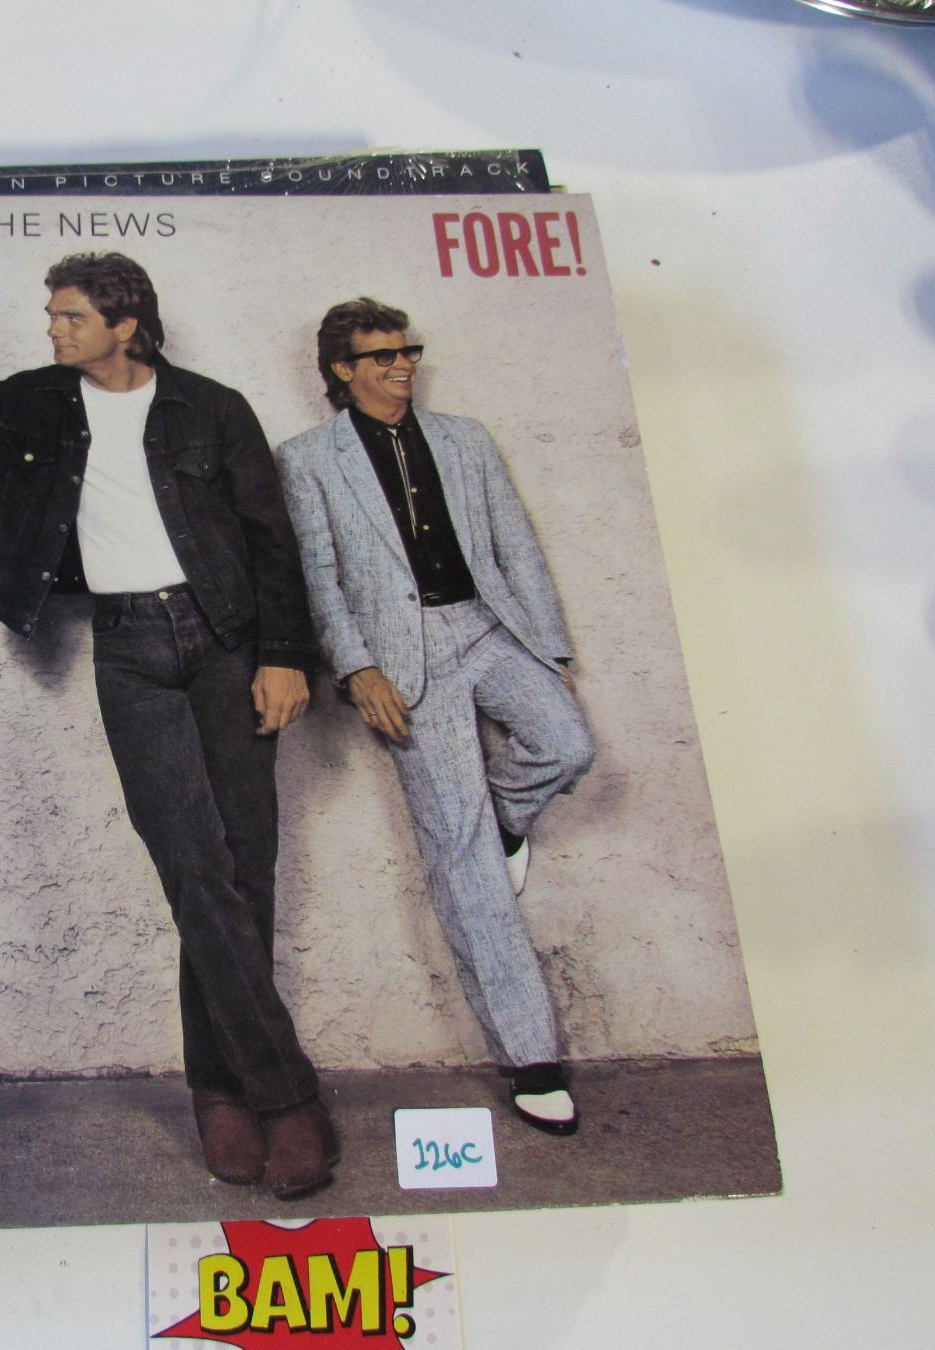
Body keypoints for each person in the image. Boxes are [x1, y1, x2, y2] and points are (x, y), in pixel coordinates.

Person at [0, 252, 334, 1199]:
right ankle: (283, 1095)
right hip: (128, 650)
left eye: (71, 316)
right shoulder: (35, 401)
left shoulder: (213, 408)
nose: (53, 329)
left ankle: (218, 1088)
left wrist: (285, 654)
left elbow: (271, 539)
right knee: (192, 865)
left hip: (230, 641)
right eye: (52, 315)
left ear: (126, 325)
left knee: (246, 864)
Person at [273, 298, 596, 1135]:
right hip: (402, 663)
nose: (402, 366)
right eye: (382, 356)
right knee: (463, 859)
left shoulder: (465, 439)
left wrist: (550, 646)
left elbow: (515, 544)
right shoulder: (307, 460)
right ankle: (531, 1058)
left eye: (407, 350)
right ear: (342, 371)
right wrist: (357, 668)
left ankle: (508, 825)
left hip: (490, 630)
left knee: (568, 744)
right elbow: (317, 576)